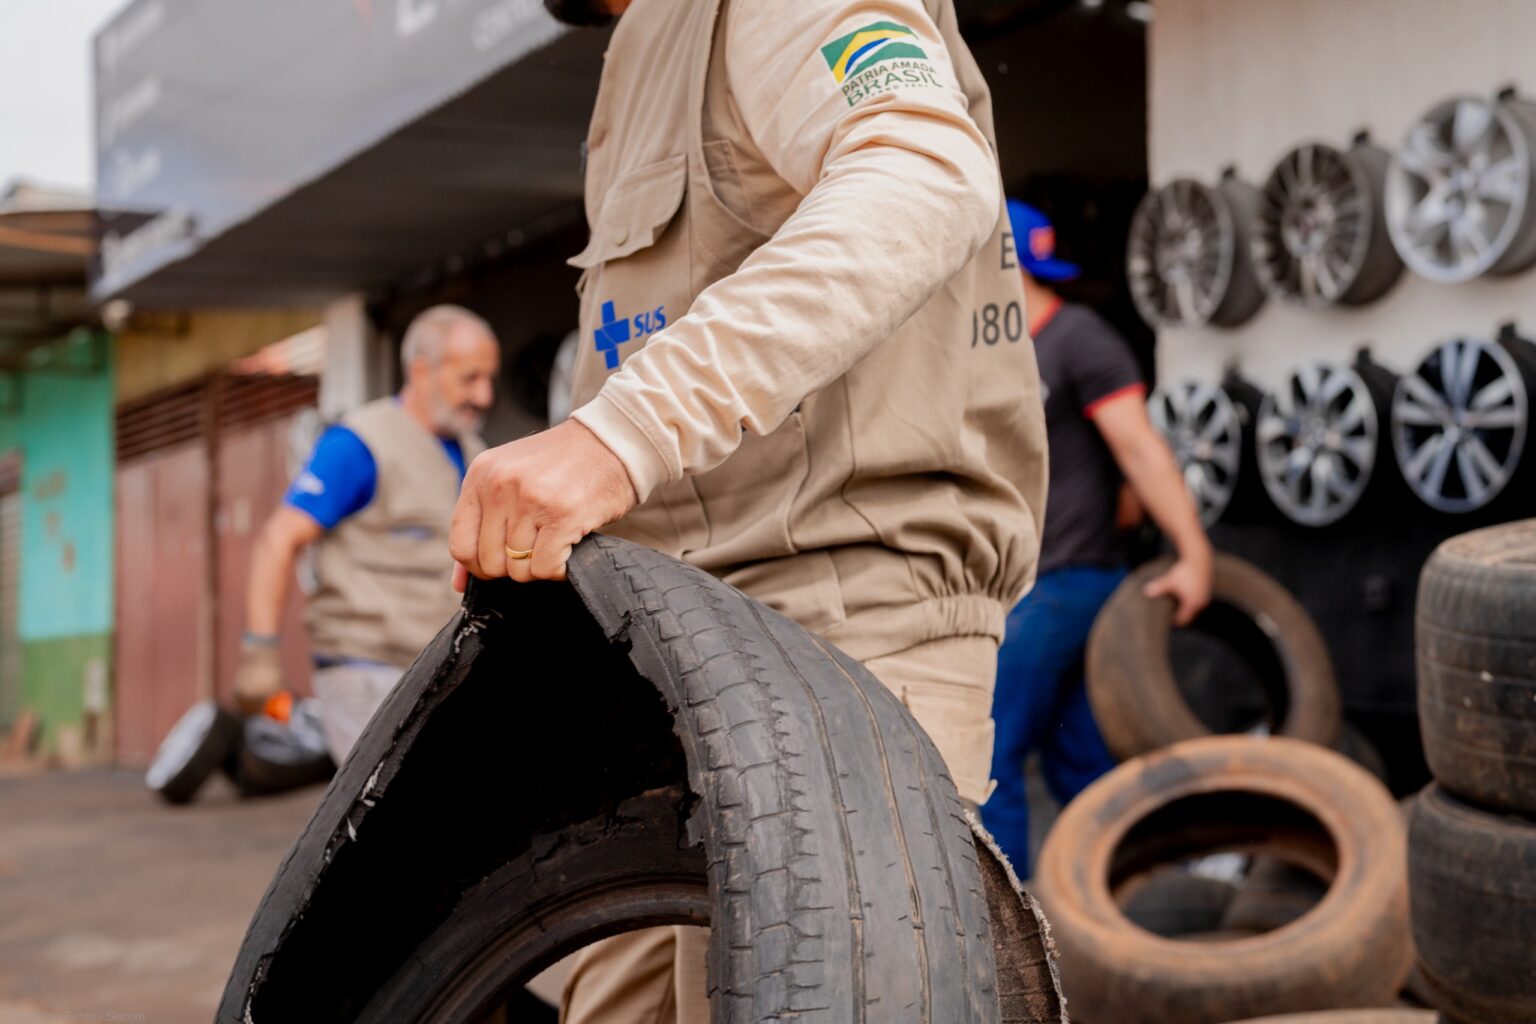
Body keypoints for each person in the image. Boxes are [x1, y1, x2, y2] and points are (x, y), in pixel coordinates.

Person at [449, 0, 1048, 1019]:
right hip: (674, 663)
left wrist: (616, 438)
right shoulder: (649, 44)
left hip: (835, 650)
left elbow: (922, 175)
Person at [979, 199, 1215, 876]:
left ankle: (1007, 952)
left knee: (989, 756)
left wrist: (1193, 554)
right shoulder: (990, 351)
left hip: (1068, 580)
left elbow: (1141, 450)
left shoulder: (1077, 338)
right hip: (1030, 583)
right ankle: (1135, 909)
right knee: (1080, 758)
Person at [233, 305, 500, 762]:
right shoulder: (358, 445)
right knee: (395, 826)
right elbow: (279, 540)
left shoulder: (474, 454)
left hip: (441, 671)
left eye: (489, 379)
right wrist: (260, 652)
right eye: (470, 378)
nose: (485, 395)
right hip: (368, 674)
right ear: (421, 370)